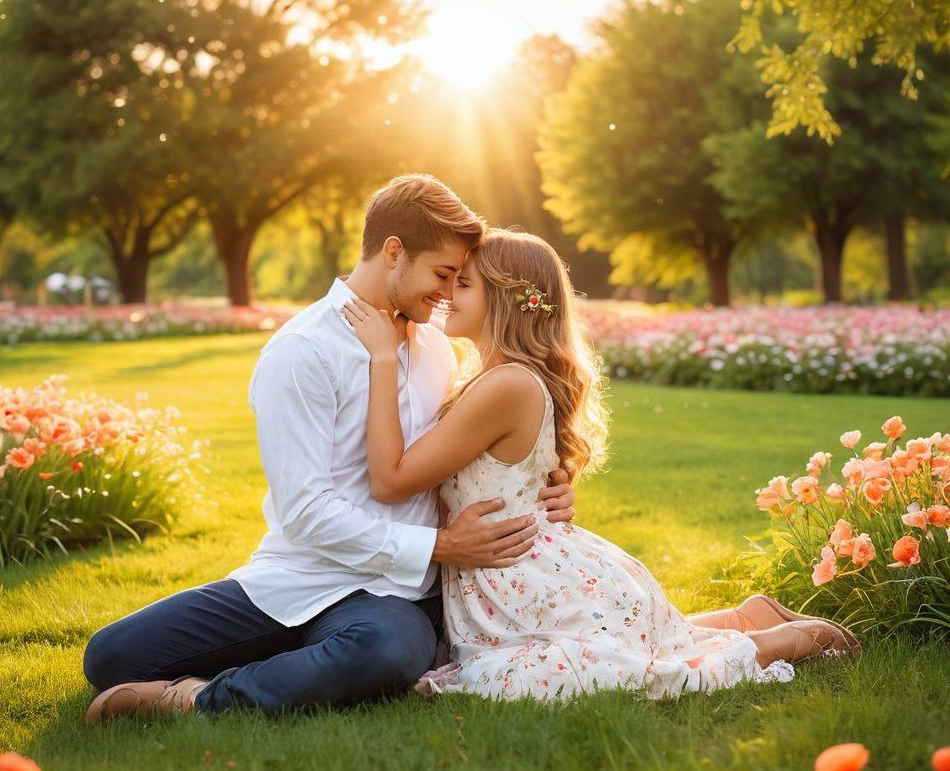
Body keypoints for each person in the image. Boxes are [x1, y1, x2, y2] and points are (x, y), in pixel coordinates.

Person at [82, 176, 579, 722]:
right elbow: (304, 513)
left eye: (457, 280)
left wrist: (541, 495)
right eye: (442, 275)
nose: (445, 294)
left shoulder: (438, 350)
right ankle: (304, 661)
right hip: (299, 576)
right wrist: (439, 545)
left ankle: (197, 698)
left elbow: (468, 457)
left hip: (394, 592)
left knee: (386, 650)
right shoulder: (302, 351)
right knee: (112, 657)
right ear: (394, 253)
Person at [339, 228, 861, 702]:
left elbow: (394, 477)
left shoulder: (507, 384)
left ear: (506, 300)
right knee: (612, 654)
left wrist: (383, 359)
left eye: (465, 285)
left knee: (562, 675)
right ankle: (747, 619)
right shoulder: (493, 377)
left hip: (521, 574)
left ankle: (777, 642)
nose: (448, 294)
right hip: (510, 573)